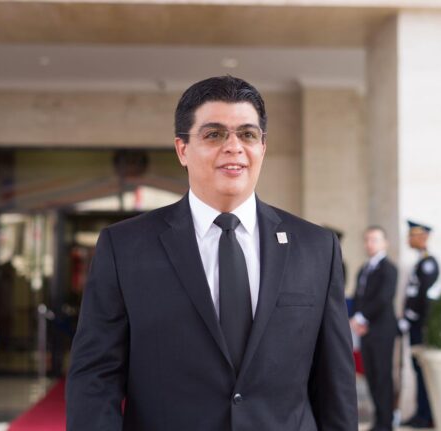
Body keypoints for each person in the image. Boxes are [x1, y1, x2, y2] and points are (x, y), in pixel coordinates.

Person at [66, 76, 358, 431]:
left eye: (247, 134)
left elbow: (335, 384)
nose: (233, 147)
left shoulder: (316, 247)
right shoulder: (125, 247)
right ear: (182, 149)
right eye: (214, 134)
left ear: (263, 147)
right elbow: (95, 377)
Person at [350, 226, 398, 431]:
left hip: (381, 330)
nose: (370, 244)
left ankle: (386, 423)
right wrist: (356, 318)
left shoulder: (389, 269)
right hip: (365, 331)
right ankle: (378, 420)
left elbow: (383, 298)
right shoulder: (364, 268)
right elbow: (358, 296)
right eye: (367, 240)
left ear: (385, 243)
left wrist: (361, 318)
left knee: (382, 376)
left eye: (375, 240)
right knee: (370, 375)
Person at [399, 221, 439, 429]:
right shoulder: (419, 262)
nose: (409, 239)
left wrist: (410, 316)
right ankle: (421, 412)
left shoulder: (428, 262)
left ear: (422, 237)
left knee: (422, 370)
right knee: (417, 369)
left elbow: (424, 295)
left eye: (412, 236)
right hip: (414, 323)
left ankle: (426, 415)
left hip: (420, 324)